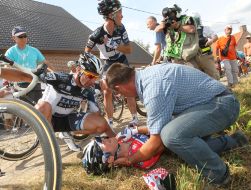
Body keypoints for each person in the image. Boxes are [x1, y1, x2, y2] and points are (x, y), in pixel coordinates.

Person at [105, 62, 248, 185]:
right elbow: (158, 125)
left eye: (117, 94)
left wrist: (130, 159)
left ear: (119, 88)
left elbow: (157, 141)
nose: (120, 97)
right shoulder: (147, 76)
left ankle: (219, 175)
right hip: (212, 103)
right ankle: (234, 141)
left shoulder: (153, 89)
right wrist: (136, 130)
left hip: (223, 105)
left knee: (172, 136)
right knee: (183, 146)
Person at [0, 53, 115, 152]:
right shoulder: (60, 78)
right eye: (90, 75)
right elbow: (25, 76)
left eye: (95, 77)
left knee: (101, 123)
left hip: (65, 120)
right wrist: (1, 72)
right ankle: (51, 150)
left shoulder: (88, 88)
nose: (92, 80)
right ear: (79, 69)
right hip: (46, 117)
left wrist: (115, 141)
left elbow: (97, 116)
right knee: (44, 106)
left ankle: (67, 133)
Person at [85, 0, 138, 128]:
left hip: (121, 60)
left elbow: (129, 49)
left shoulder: (121, 28)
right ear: (112, 15)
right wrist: (91, 67)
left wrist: (114, 45)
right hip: (107, 62)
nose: (122, 15)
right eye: (120, 12)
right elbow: (86, 52)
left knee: (129, 87)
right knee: (106, 91)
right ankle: (109, 122)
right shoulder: (96, 34)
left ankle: (135, 118)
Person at [82, 126, 163, 175]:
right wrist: (137, 130)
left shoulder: (121, 138)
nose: (103, 139)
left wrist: (134, 130)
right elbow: (161, 138)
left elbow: (152, 125)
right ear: (109, 158)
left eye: (99, 139)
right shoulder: (143, 161)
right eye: (101, 145)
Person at [4, 26, 53, 103]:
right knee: (23, 110)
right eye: (20, 36)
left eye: (25, 36)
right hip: (19, 84)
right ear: (13, 38)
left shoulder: (34, 50)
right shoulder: (10, 52)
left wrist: (56, 73)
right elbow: (7, 68)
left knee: (37, 108)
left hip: (35, 82)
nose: (23, 38)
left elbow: (45, 63)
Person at [190, 13, 220, 80]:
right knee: (198, 78)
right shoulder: (188, 31)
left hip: (205, 56)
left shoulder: (205, 29)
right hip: (194, 58)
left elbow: (215, 36)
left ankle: (218, 89)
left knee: (214, 75)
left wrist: (211, 41)